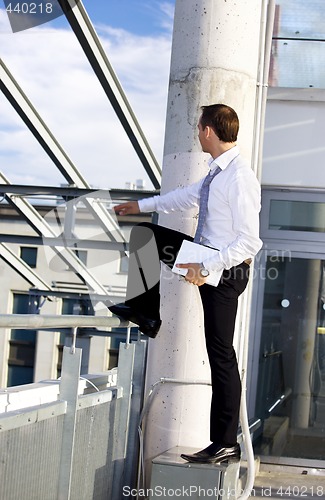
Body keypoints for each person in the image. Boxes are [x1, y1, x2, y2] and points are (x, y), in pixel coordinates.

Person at [109, 103, 262, 464]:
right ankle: (146, 313)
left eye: (198, 127)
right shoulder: (215, 174)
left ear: (209, 131)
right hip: (205, 258)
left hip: (225, 270)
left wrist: (205, 267)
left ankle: (226, 443)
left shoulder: (240, 177)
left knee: (221, 355)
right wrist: (141, 205)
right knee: (146, 236)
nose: (196, 132)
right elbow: (184, 198)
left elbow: (249, 242)